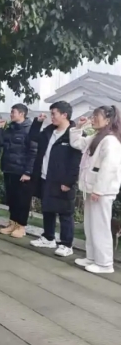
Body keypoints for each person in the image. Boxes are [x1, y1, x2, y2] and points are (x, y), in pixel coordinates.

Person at [69, 106, 121, 274]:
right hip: (92, 189)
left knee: (100, 226)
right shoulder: (97, 137)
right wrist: (78, 127)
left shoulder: (110, 140)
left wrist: (99, 189)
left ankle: (105, 263)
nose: (93, 119)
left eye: (96, 116)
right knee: (90, 226)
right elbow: (77, 143)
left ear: (108, 120)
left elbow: (110, 167)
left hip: (102, 191)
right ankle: (92, 257)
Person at [29, 101, 82, 257]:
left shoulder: (74, 134)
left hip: (62, 181)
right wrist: (38, 122)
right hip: (46, 177)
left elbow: (76, 162)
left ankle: (66, 244)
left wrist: (69, 181)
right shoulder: (49, 131)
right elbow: (33, 137)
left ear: (64, 115)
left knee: (65, 213)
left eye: (54, 114)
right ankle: (48, 237)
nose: (51, 117)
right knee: (47, 209)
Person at [0, 103, 38, 238]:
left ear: (22, 114)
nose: (11, 114)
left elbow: (33, 152)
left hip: (22, 171)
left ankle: (21, 226)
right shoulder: (10, 128)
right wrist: (0, 129)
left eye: (13, 112)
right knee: (12, 199)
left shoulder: (30, 130)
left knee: (22, 200)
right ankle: (12, 222)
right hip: (9, 169)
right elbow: (1, 143)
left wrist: (28, 172)